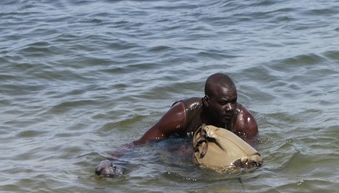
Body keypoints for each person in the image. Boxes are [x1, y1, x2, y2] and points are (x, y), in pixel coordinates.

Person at [95, 73, 258, 177]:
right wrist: (115, 162)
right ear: (207, 101)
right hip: (178, 145)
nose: (230, 108)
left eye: (233, 101)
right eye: (223, 103)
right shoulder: (182, 113)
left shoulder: (245, 123)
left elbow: (252, 158)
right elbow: (142, 143)